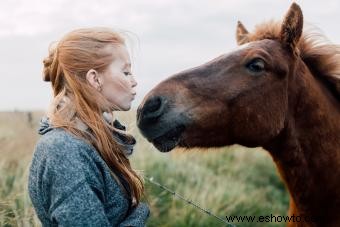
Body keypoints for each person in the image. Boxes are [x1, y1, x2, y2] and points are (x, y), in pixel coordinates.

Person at [28, 27, 150, 226]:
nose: (134, 82)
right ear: (95, 78)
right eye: (126, 71)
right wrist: (139, 213)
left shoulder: (86, 139)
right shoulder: (64, 150)